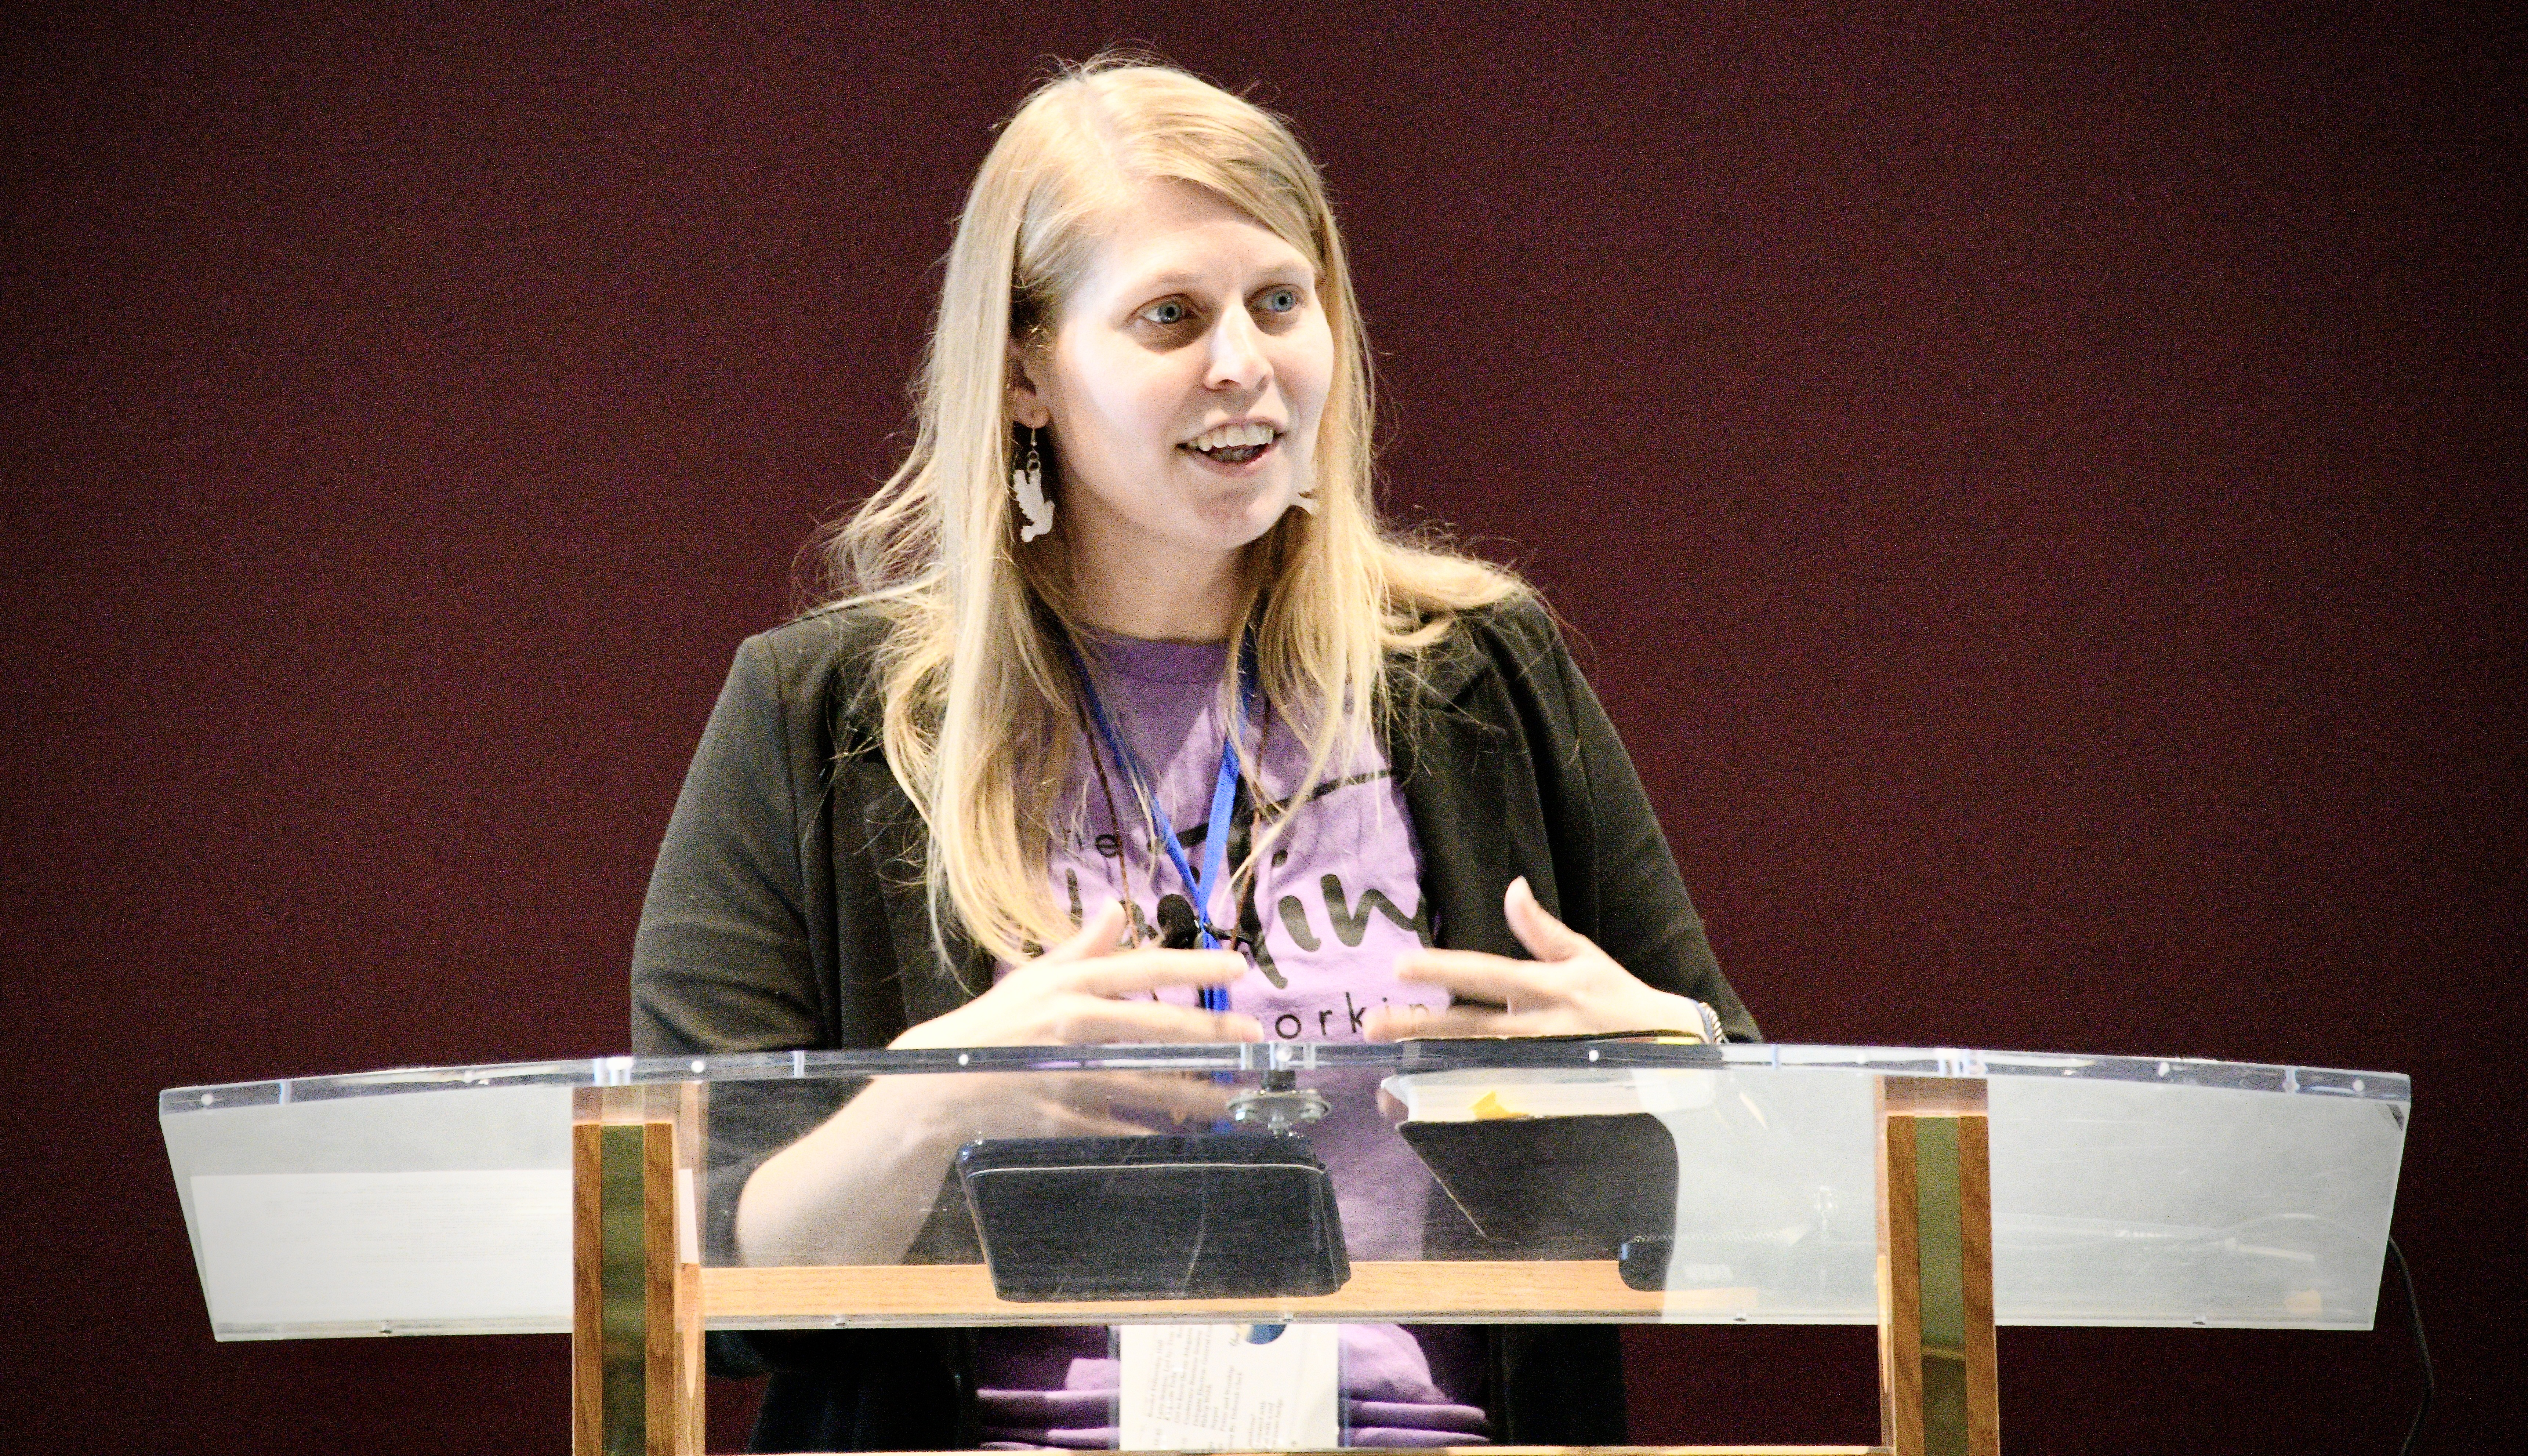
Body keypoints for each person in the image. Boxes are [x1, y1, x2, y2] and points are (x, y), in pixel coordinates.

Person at [631, 54, 1758, 1453]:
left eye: (1281, 303)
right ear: (1029, 369)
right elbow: (695, 1270)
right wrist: (933, 1107)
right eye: (1171, 316)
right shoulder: (823, 718)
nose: (1244, 364)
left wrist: (1665, 1064)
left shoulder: (1484, 676)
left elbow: (1774, 1150)